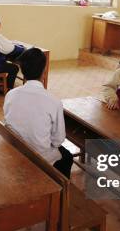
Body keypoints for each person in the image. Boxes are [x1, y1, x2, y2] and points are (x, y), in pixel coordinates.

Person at [4, 48, 72, 178]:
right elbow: (58, 140)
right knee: (67, 157)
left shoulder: (10, 95)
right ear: (44, 70)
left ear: (22, 70)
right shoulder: (54, 101)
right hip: (39, 156)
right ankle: (59, 195)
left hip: (16, 148)